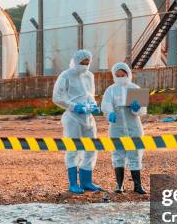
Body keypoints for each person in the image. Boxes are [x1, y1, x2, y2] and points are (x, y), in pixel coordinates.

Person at [53, 50, 103, 194]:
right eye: (82, 63)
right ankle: (73, 183)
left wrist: (93, 105)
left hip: (88, 118)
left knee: (91, 148)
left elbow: (90, 95)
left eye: (87, 63)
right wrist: (74, 106)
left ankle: (87, 182)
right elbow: (57, 97)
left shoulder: (89, 76)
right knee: (73, 148)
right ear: (76, 61)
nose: (85, 66)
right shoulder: (66, 75)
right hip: (73, 118)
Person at [101, 62, 147, 195]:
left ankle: (138, 186)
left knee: (135, 155)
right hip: (116, 128)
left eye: (123, 74)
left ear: (128, 74)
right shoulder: (110, 90)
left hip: (134, 128)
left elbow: (143, 110)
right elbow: (105, 104)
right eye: (118, 75)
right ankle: (119, 185)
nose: (121, 77)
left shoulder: (134, 88)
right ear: (114, 76)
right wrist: (110, 112)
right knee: (117, 155)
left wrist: (137, 109)